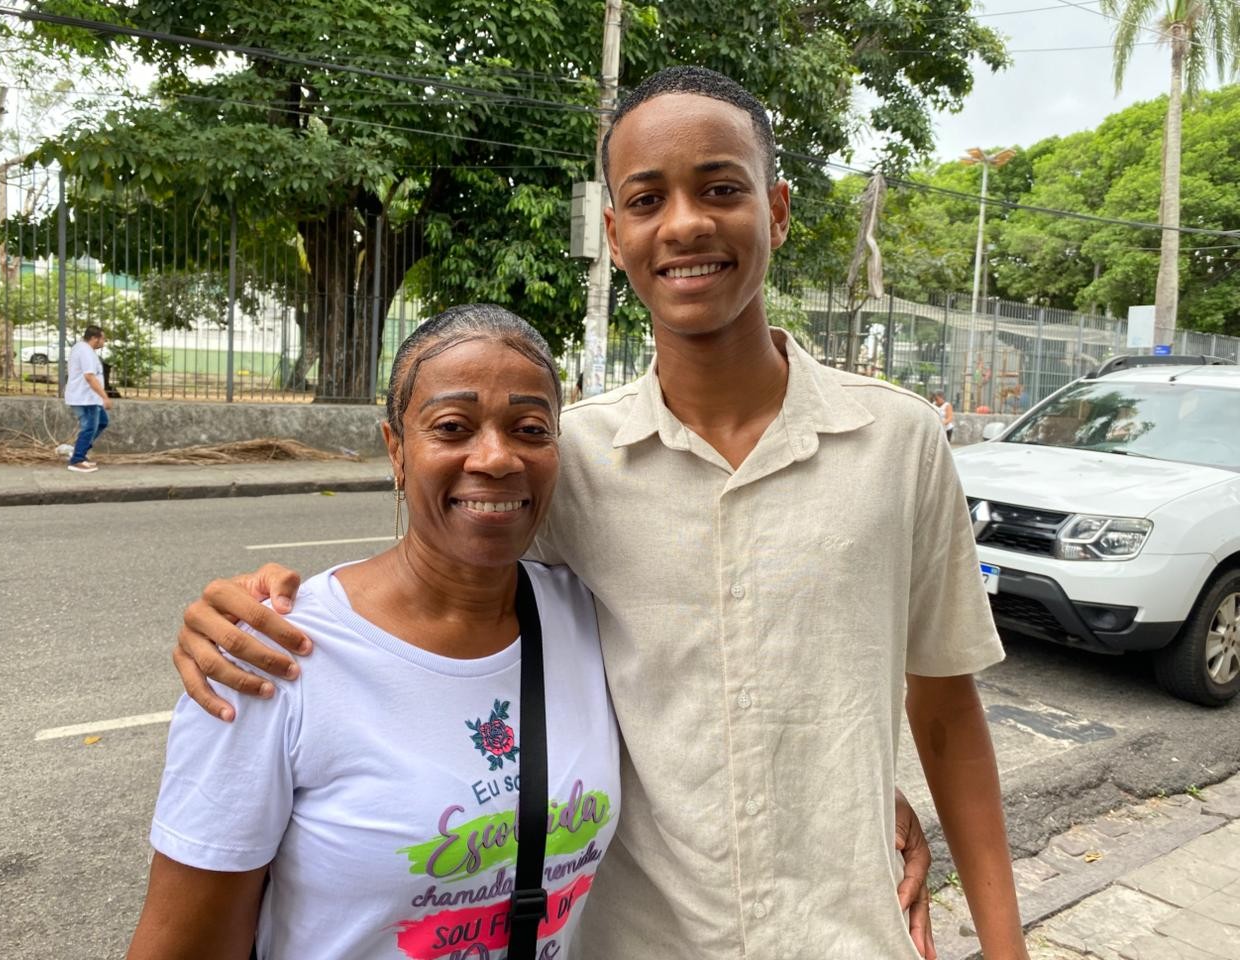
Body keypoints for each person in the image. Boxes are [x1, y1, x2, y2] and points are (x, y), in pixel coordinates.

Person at [174, 67, 1027, 959]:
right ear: (616, 236)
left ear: (775, 211)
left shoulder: (897, 441)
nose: (687, 222)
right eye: (648, 198)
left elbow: (942, 708)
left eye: (721, 188)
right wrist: (261, 609)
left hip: (849, 937)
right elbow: (426, 598)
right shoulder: (568, 460)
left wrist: (1003, 943)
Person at [126, 305, 621, 960]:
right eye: (453, 426)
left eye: (530, 429)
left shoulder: (592, 620)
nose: (497, 457)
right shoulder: (269, 655)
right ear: (396, 448)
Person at [64, 325, 111, 472]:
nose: (104, 342)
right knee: (89, 427)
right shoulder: (85, 351)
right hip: (85, 398)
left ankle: (79, 451)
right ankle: (77, 460)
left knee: (102, 422)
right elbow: (89, 376)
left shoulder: (84, 349)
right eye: (103, 338)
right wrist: (105, 397)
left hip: (89, 397)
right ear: (94, 338)